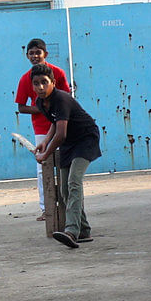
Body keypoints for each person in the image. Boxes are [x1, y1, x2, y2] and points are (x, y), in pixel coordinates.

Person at [32, 63, 100, 249]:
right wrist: (45, 141)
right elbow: (55, 123)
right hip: (69, 143)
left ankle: (71, 231)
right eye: (36, 84)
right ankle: (84, 230)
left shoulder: (61, 99)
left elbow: (61, 134)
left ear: (53, 82)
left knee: (73, 182)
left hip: (85, 139)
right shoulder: (40, 102)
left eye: (44, 83)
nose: (40, 87)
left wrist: (46, 154)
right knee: (64, 191)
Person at [15, 38, 71, 220]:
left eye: (38, 53)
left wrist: (56, 111)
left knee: (65, 164)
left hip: (62, 124)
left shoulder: (58, 73)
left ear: (45, 54)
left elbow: (67, 98)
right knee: (43, 167)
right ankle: (46, 209)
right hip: (41, 128)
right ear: (27, 56)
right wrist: (42, 109)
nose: (34, 56)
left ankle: (67, 205)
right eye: (31, 53)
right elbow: (21, 107)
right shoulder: (25, 79)